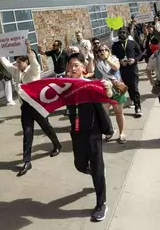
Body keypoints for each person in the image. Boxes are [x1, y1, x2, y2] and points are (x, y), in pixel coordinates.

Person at [0, 40, 61, 176]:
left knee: (47, 127)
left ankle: (57, 144)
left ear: (25, 62)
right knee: (27, 134)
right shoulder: (16, 71)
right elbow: (6, 64)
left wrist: (29, 50)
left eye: (19, 62)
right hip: (25, 108)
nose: (17, 64)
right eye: (16, 62)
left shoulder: (33, 71)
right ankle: (27, 161)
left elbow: (34, 63)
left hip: (38, 106)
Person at [65, 53, 114, 222]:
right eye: (70, 65)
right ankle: (96, 173)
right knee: (79, 165)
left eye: (76, 65)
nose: (72, 68)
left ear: (83, 69)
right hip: (77, 132)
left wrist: (108, 89)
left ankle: (101, 204)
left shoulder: (90, 85)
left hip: (93, 132)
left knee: (97, 166)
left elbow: (108, 94)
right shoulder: (65, 86)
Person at [95, 45, 129, 141]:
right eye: (100, 50)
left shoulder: (114, 59)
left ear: (109, 51)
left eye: (106, 49)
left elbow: (115, 67)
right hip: (104, 90)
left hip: (117, 90)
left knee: (118, 112)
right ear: (98, 53)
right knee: (104, 115)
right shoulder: (97, 63)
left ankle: (121, 133)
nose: (103, 51)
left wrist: (107, 59)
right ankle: (110, 129)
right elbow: (94, 75)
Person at [111, 28, 143, 117]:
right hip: (122, 70)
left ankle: (138, 107)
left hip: (133, 69)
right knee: (127, 87)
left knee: (135, 87)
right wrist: (120, 61)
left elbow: (140, 53)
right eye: (120, 32)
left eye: (124, 32)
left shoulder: (132, 43)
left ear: (127, 34)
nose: (122, 34)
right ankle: (133, 100)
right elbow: (112, 57)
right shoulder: (115, 45)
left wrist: (135, 60)